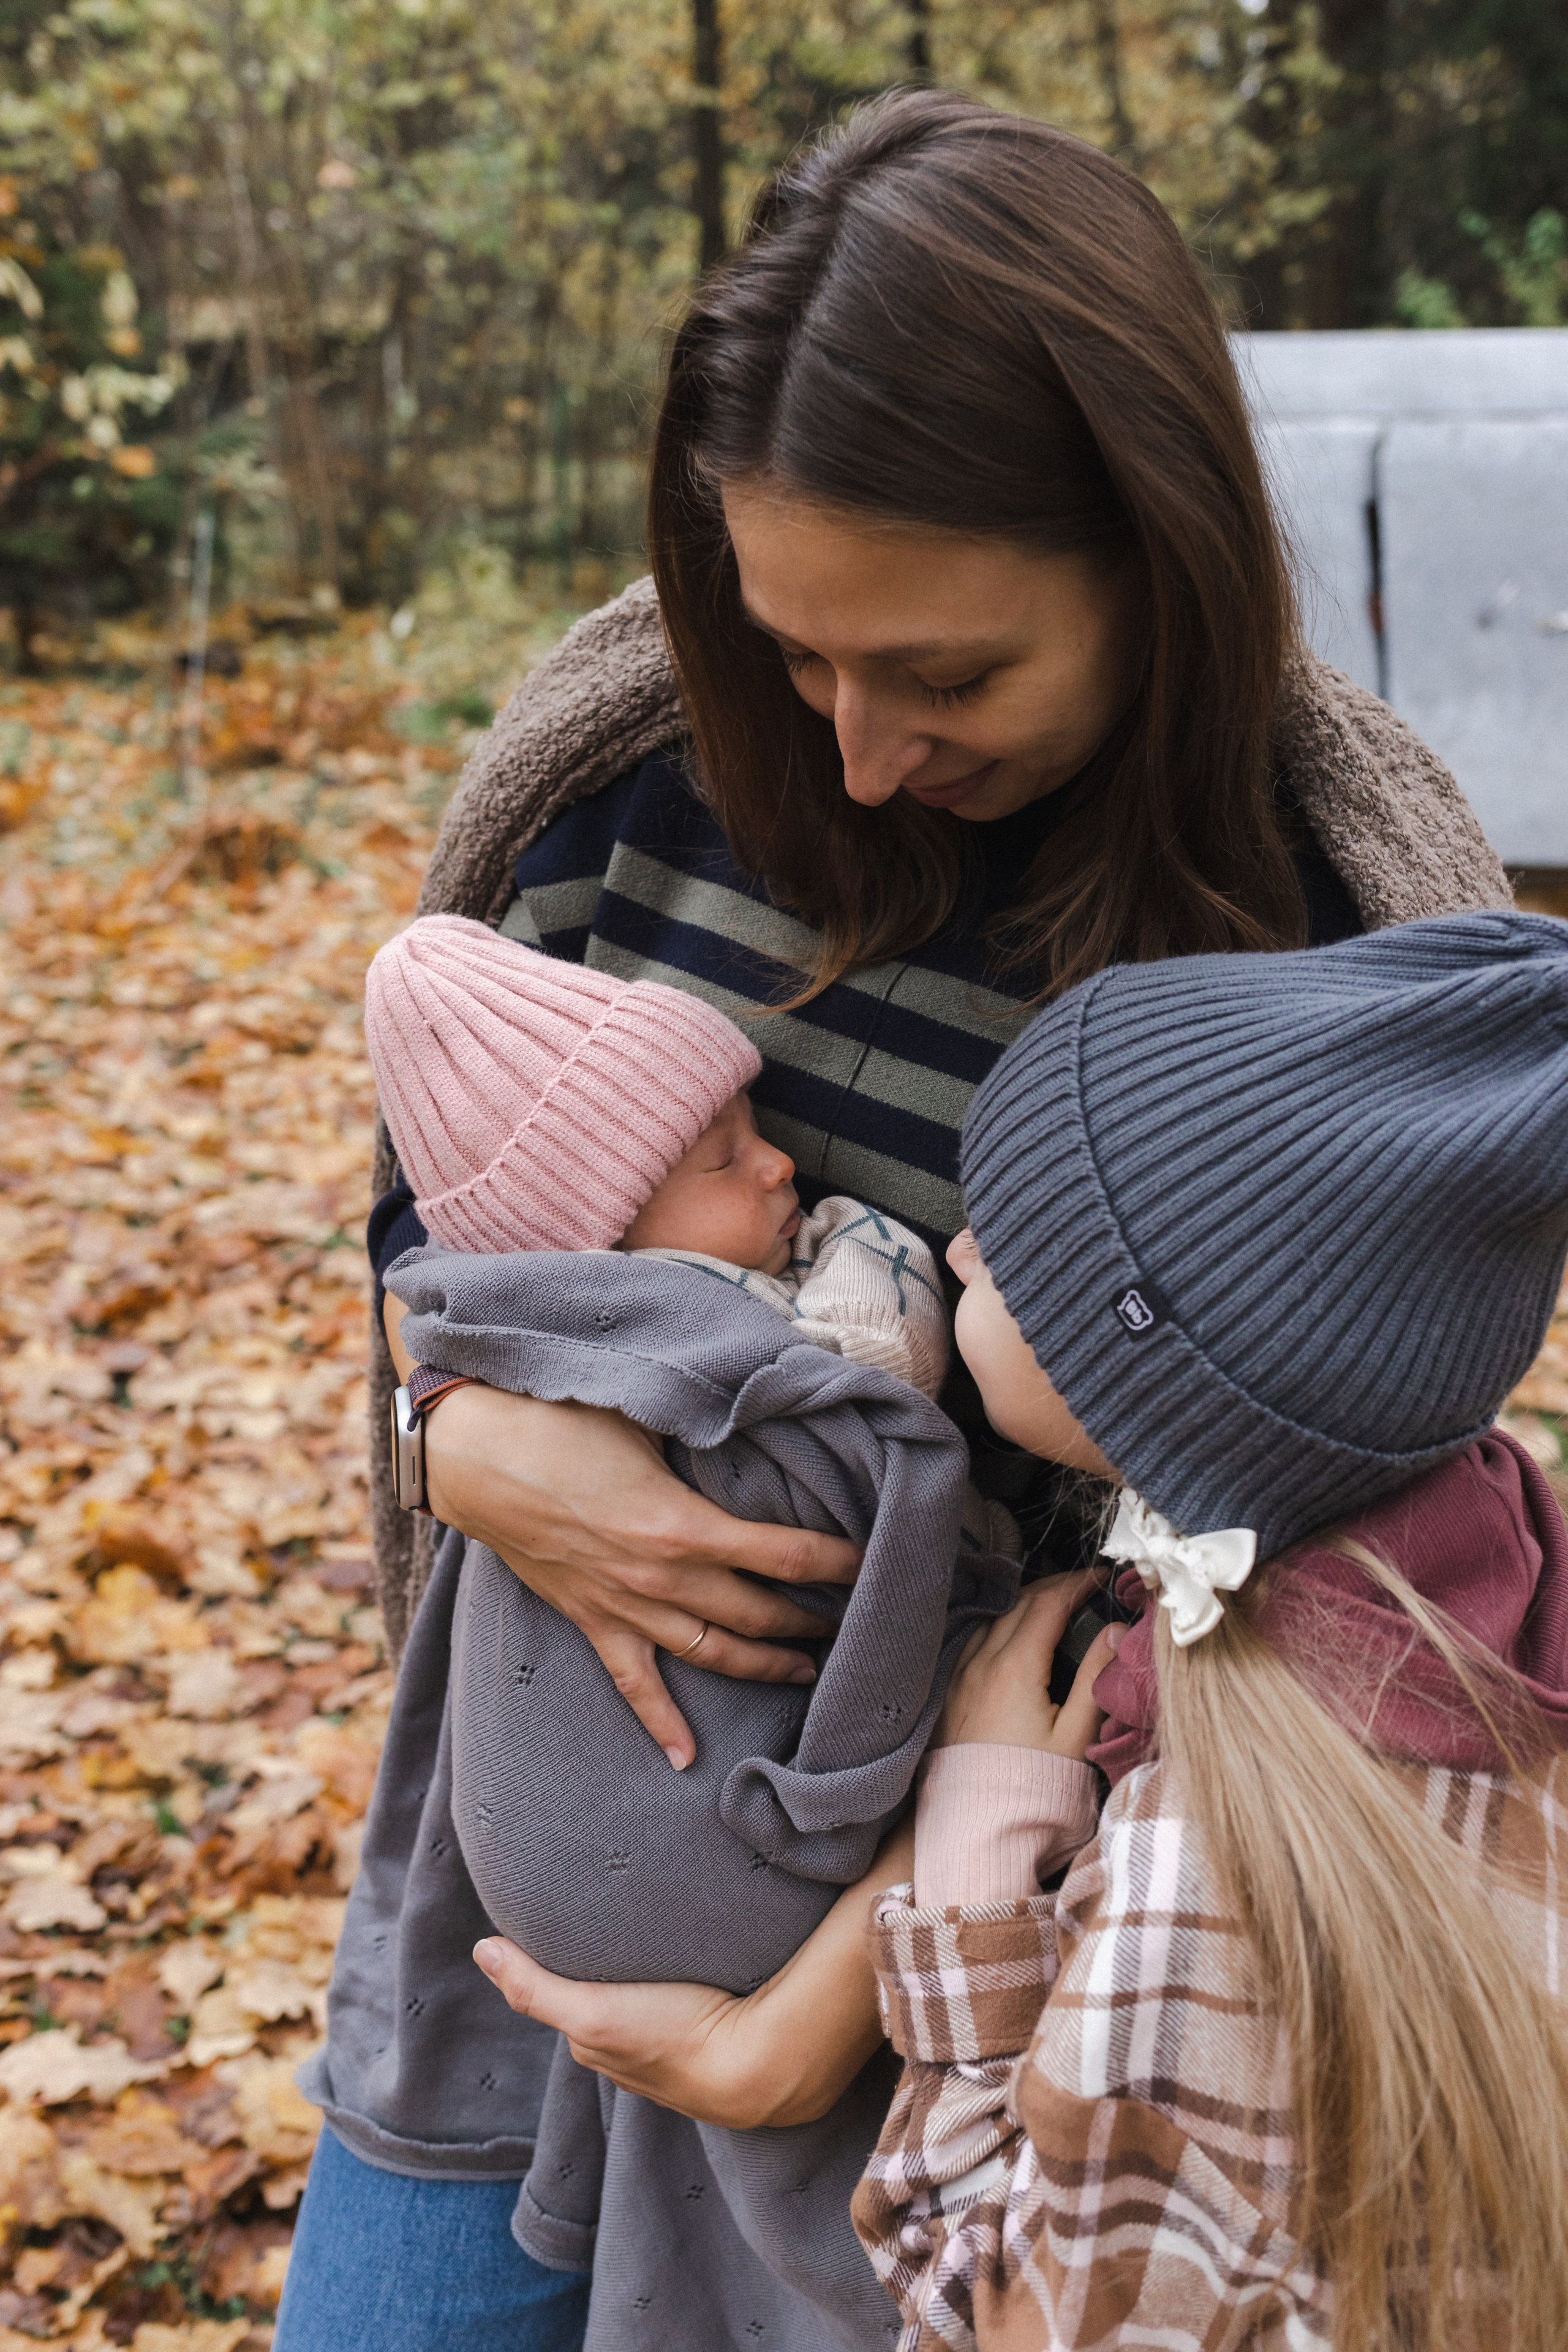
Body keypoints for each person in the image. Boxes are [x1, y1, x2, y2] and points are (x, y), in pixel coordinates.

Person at [279, 83, 1511, 2352]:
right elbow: (440, 1223)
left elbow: (1283, 1592)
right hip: (520, 1902)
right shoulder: (611, 785)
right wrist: (462, 1427)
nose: (847, 750)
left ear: (1161, 556)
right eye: (791, 647)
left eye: (945, 676)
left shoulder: (1322, 939)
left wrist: (829, 2011)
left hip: (998, 2003)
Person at [481, 910, 1568, 2352]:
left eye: (1026, 1249)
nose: (958, 1241)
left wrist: (980, 1865)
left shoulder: (1213, 1874)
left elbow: (1010, 2313)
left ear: (1158, 1370)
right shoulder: (1469, 1605)